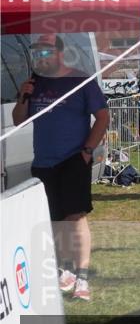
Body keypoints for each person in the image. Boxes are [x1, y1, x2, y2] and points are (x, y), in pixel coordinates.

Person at [12, 34, 109, 302]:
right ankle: (63, 271)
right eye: (37, 54)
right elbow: (19, 120)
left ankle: (82, 276)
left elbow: (103, 116)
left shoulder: (80, 80)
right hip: (44, 161)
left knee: (74, 217)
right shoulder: (35, 84)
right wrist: (23, 96)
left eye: (45, 52)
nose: (40, 58)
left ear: (59, 53)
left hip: (73, 158)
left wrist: (88, 150)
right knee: (53, 220)